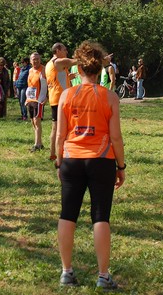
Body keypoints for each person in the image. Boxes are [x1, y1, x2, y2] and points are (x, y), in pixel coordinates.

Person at [55, 40, 125, 290]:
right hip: (102, 161)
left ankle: (66, 272)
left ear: (79, 69)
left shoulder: (66, 94)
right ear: (99, 68)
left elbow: (60, 135)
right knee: (100, 217)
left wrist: (59, 162)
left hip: (71, 160)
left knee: (67, 214)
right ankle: (103, 276)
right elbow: (116, 137)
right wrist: (121, 166)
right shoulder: (110, 97)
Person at [46, 43, 77, 160]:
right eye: (64, 50)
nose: (66, 52)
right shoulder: (57, 62)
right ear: (58, 50)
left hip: (55, 98)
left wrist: (69, 77)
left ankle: (53, 153)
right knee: (61, 128)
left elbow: (56, 80)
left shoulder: (49, 64)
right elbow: (72, 62)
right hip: (60, 99)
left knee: (55, 127)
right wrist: (88, 57)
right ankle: (59, 154)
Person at [26, 52, 48, 152]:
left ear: (40, 60)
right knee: (33, 122)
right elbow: (29, 85)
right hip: (30, 99)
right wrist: (26, 99)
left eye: (37, 59)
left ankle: (37, 145)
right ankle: (39, 142)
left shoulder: (43, 70)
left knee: (37, 121)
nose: (35, 61)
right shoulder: (30, 70)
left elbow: (49, 83)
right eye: (33, 59)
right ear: (30, 61)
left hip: (39, 99)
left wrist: (46, 97)